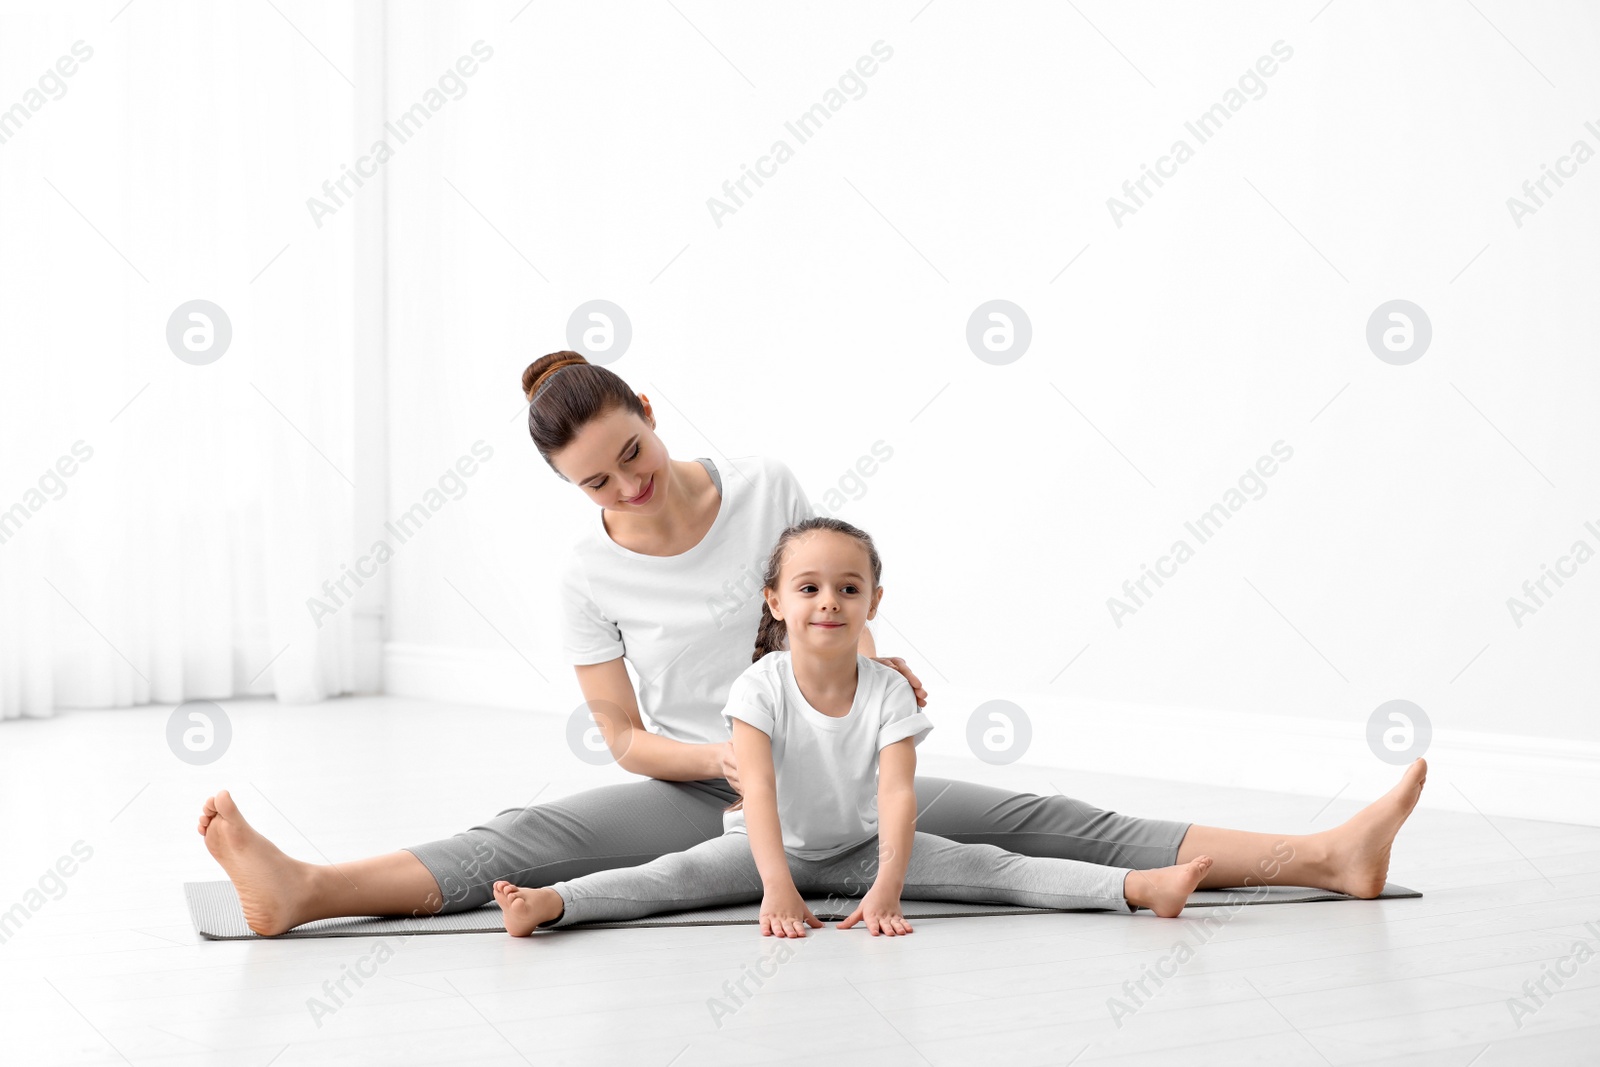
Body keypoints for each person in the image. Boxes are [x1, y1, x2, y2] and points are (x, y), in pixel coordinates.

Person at [197, 351, 1426, 936]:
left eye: (628, 453)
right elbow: (625, 735)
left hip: (831, 763)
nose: (625, 488)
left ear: (650, 415)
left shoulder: (763, 483)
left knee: (1052, 820)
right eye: (594, 484)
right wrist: (725, 768)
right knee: (526, 836)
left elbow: (818, 593)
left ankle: (1326, 852)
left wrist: (880, 674)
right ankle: (305, 887)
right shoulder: (586, 570)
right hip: (709, 785)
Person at [492, 518, 1218, 937]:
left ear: (873, 599)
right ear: (775, 600)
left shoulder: (888, 690)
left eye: (848, 588)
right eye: (808, 588)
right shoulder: (759, 686)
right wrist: (777, 886)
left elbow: (900, 795)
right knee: (666, 876)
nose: (828, 602)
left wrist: (890, 883)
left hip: (865, 848)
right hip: (761, 848)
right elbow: (762, 794)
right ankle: (551, 906)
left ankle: (1140, 885)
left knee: (997, 867)